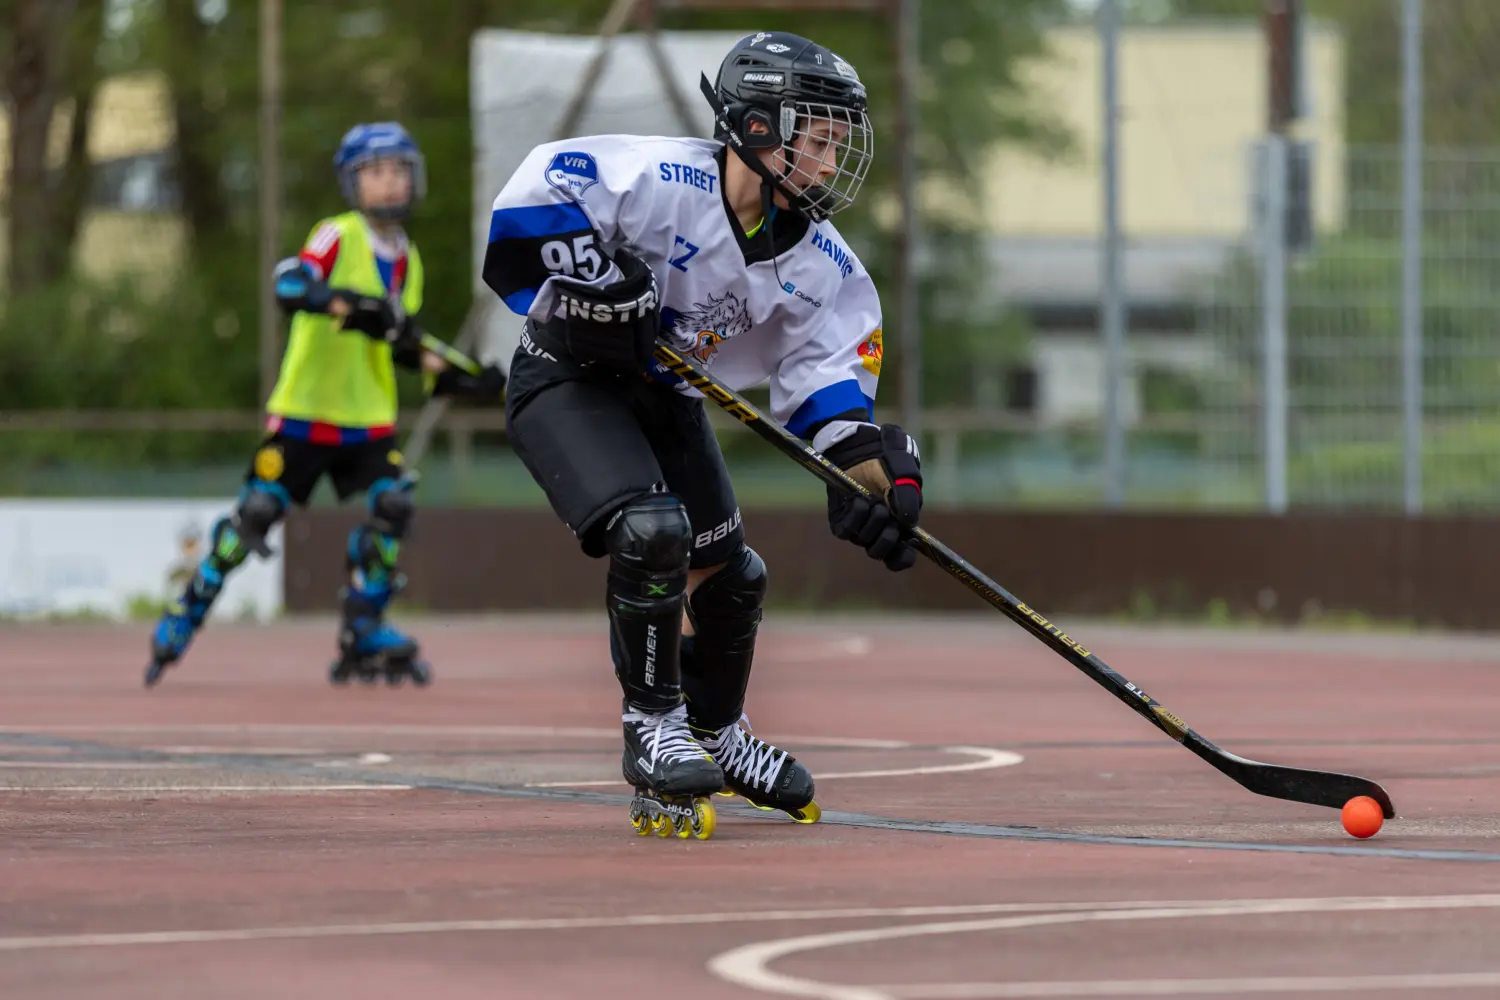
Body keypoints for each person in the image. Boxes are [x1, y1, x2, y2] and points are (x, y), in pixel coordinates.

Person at [482, 32, 924, 839]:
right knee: (654, 533)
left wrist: (871, 475)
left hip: (669, 395)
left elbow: (826, 389)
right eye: (818, 141)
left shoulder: (824, 264)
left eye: (836, 144)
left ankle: (718, 732)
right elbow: (532, 198)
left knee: (732, 577)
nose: (829, 164)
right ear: (758, 127)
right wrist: (594, 271)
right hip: (567, 379)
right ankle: (653, 726)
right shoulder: (661, 178)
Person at [145, 121, 506, 689]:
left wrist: (465, 376)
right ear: (352, 183)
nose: (389, 184)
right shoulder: (337, 234)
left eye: (398, 171)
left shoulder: (409, 259)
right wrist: (346, 301)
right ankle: (186, 612)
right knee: (255, 517)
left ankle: (363, 625)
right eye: (376, 172)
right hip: (304, 415)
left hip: (366, 420)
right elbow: (291, 284)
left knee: (394, 503)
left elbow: (403, 340)